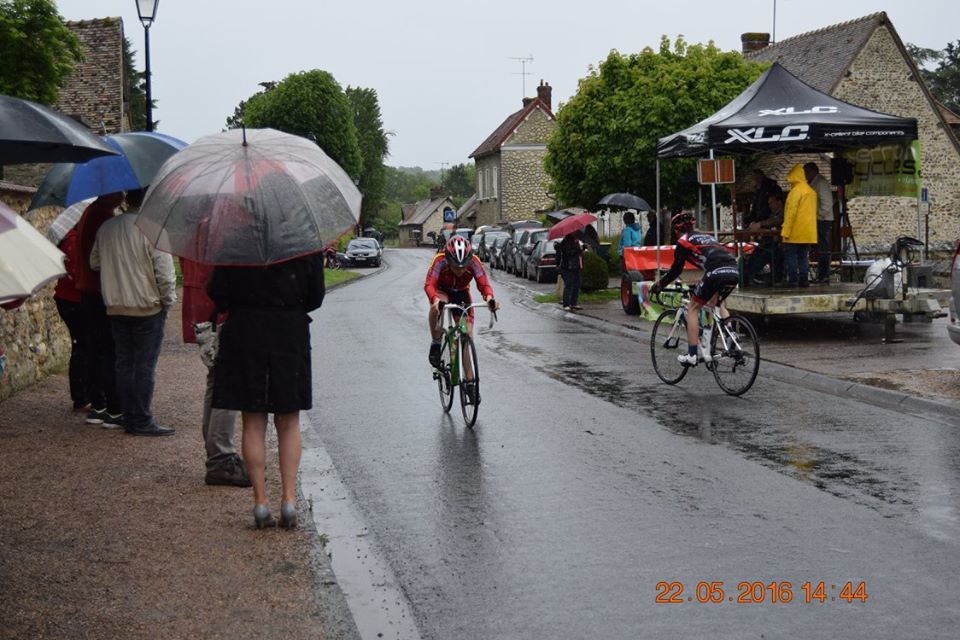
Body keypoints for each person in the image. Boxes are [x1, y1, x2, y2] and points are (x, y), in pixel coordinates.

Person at [207, 252, 325, 529]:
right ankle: (288, 500)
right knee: (288, 420)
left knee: (253, 419)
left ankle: (260, 503)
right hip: (289, 329)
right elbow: (315, 297)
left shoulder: (235, 243)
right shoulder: (303, 245)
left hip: (246, 330)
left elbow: (218, 294)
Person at [90, 188, 177, 436]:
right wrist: (167, 302)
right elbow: (165, 274)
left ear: (127, 199)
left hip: (115, 306)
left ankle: (128, 416)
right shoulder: (153, 229)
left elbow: (94, 263)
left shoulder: (107, 228)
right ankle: (141, 418)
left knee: (124, 363)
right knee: (144, 365)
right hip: (147, 307)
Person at [181, 257, 250, 487]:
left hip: (202, 298)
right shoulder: (224, 225)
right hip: (217, 306)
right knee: (228, 381)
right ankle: (221, 457)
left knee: (217, 379)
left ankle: (216, 453)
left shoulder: (196, 223)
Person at [649, 211, 740, 366]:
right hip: (733, 270)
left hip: (715, 272)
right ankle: (732, 339)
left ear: (677, 230)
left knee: (692, 308)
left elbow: (676, 270)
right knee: (717, 304)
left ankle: (691, 355)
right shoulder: (708, 237)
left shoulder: (684, 241)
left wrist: (659, 285)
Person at [74, 192, 125, 427]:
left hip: (87, 289)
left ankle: (98, 404)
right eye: (120, 191)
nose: (123, 195)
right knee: (108, 349)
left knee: (95, 349)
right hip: (99, 290)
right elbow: (101, 259)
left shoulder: (89, 213)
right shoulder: (103, 218)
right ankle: (113, 407)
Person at [425, 236, 498, 383]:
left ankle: (470, 381)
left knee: (467, 334)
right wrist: (435, 300)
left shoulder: (475, 262)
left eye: (464, 266)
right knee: (438, 307)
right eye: (456, 266)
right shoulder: (439, 260)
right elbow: (429, 284)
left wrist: (490, 298)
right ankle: (436, 342)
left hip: (461, 292)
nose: (460, 270)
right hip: (442, 290)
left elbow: (483, 284)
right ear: (448, 260)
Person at [53, 227, 90, 411]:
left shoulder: (68, 238)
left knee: (81, 345)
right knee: (82, 346)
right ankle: (81, 397)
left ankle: (83, 395)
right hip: (74, 300)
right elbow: (78, 274)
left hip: (67, 298)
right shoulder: (75, 241)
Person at [781, 164, 818, 287]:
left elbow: (790, 213)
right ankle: (804, 278)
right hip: (808, 232)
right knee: (803, 256)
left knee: (791, 256)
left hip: (795, 231)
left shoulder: (795, 192)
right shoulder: (811, 191)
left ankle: (792, 280)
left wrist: (785, 231)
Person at [744, 188, 786, 286]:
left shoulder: (784, 212)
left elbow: (777, 221)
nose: (770, 206)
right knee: (757, 252)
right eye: (769, 203)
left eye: (772, 203)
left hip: (782, 245)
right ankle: (749, 277)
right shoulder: (772, 214)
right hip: (771, 243)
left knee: (763, 254)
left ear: (779, 202)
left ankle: (753, 277)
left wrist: (760, 224)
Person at [804, 162, 834, 284]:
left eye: (806, 173)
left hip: (823, 220)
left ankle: (824, 275)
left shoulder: (821, 183)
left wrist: (819, 215)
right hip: (817, 219)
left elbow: (827, 203)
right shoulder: (814, 183)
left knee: (823, 248)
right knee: (819, 248)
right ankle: (821, 275)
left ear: (811, 172)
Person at [555, 230, 585, 311]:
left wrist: (582, 249)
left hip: (576, 266)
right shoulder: (566, 241)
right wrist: (578, 250)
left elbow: (577, 252)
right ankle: (566, 304)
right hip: (568, 266)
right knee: (568, 285)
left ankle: (573, 303)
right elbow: (568, 253)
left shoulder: (576, 241)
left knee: (577, 285)